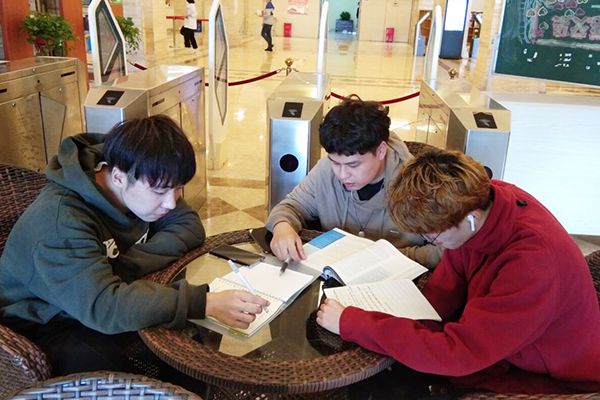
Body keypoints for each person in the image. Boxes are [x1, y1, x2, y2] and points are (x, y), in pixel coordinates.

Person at [0, 115, 268, 391]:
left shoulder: (142, 169)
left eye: (178, 189)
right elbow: (105, 307)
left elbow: (188, 225)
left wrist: (122, 267)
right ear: (118, 177)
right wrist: (203, 302)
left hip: (93, 299)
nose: (171, 203)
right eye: (160, 191)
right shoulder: (61, 223)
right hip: (44, 322)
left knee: (186, 342)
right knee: (137, 366)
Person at [316, 148, 600, 396]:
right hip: (504, 344)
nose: (430, 242)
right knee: (395, 361)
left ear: (471, 219)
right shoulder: (479, 199)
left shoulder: (532, 264)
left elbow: (460, 353)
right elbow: (447, 284)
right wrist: (411, 317)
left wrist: (354, 323)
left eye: (432, 236)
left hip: (550, 375)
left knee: (392, 383)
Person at [266, 97, 441, 269]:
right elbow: (291, 206)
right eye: (336, 163)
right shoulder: (326, 170)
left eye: (353, 165)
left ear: (381, 151)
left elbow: (446, 249)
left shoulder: (420, 186)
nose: (342, 175)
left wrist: (390, 258)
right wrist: (282, 227)